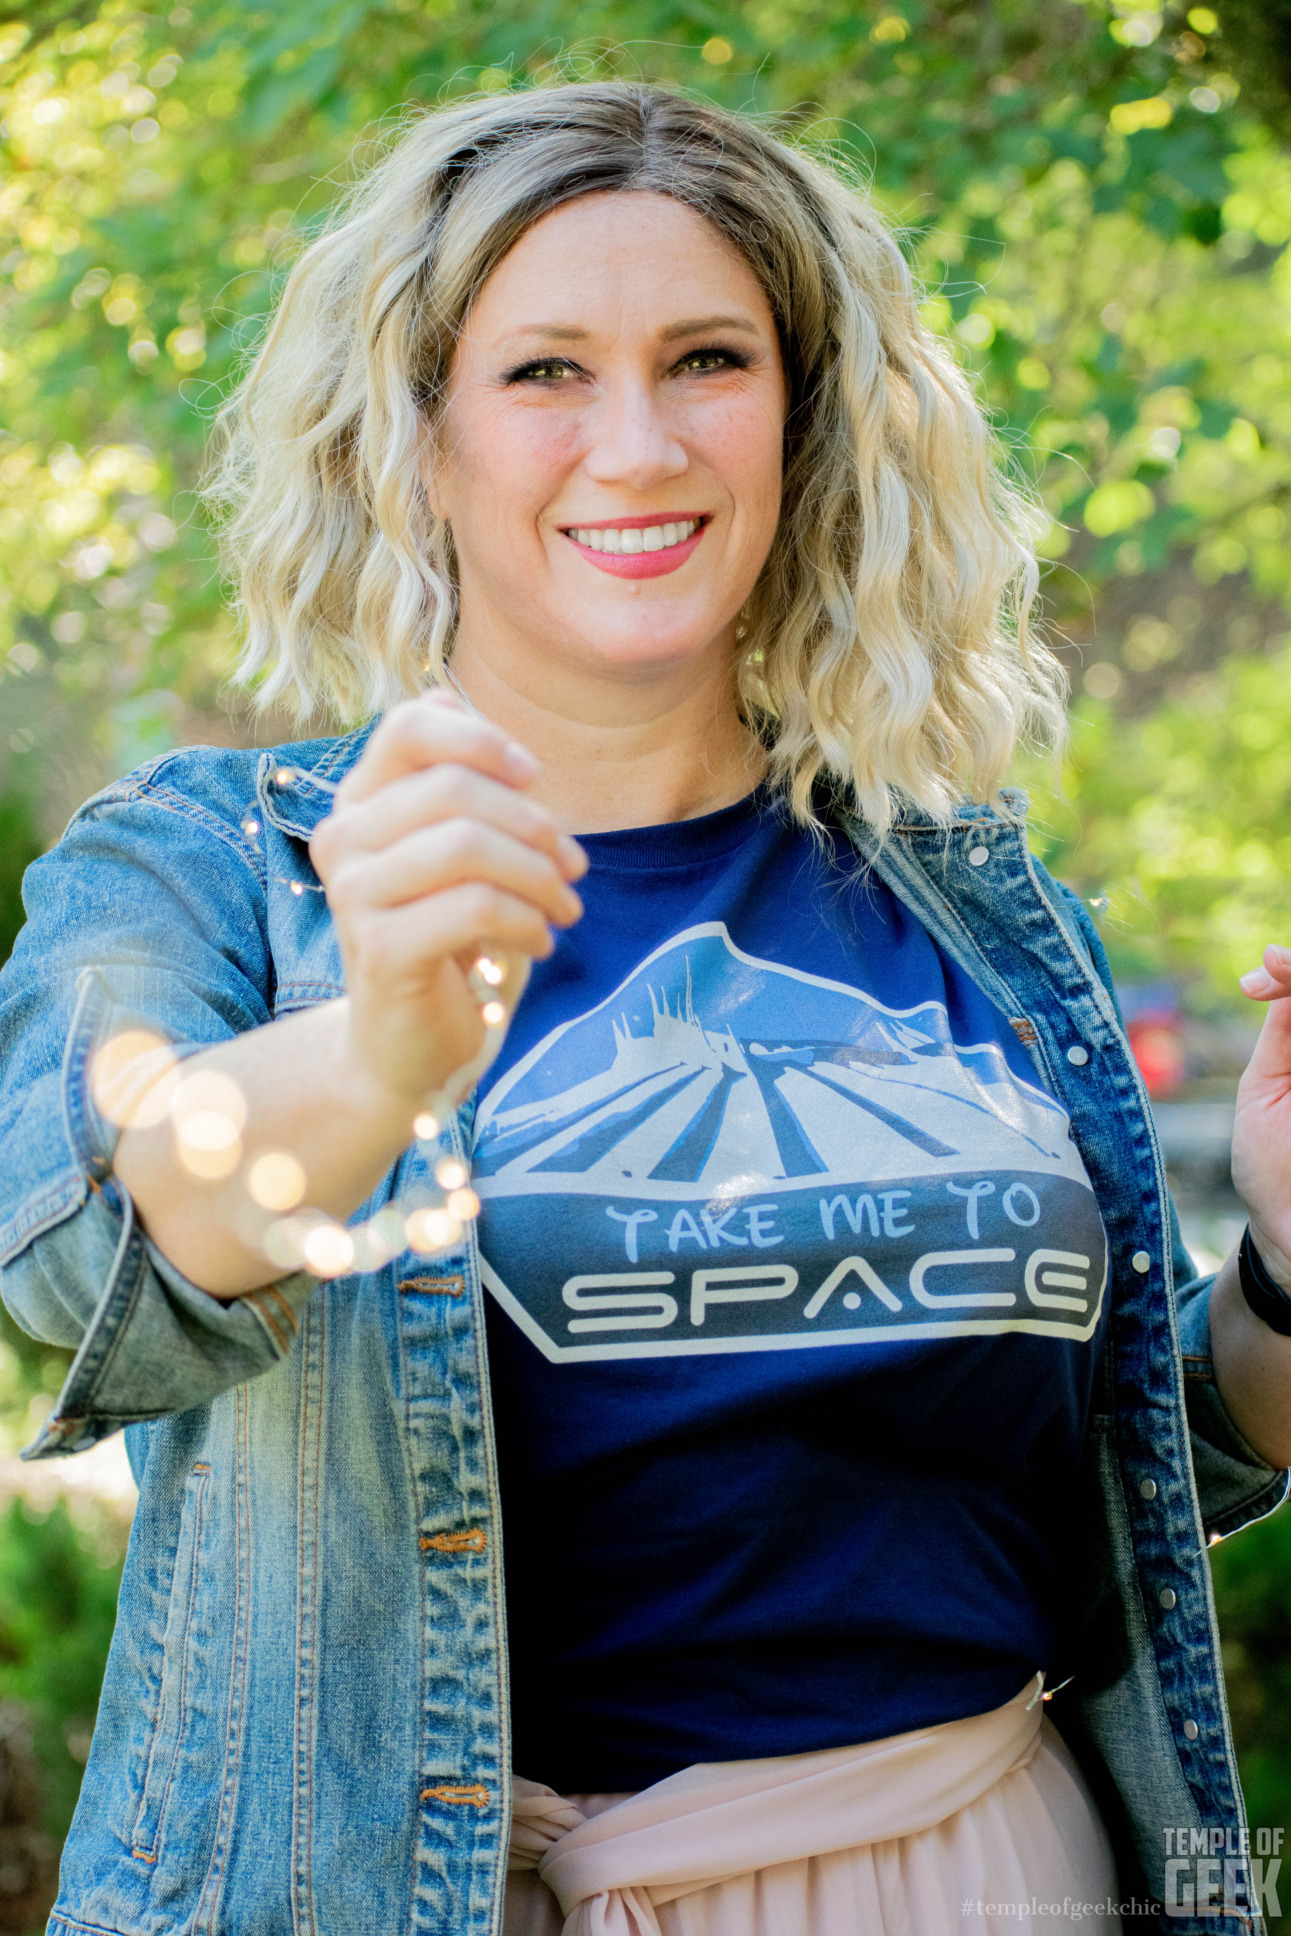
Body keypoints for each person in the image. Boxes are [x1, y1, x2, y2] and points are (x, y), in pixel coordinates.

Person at [0, 80, 1288, 1936]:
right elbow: (85, 1252)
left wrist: (1288, 1264)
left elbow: (1134, 1467)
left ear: (802, 420)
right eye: (542, 373)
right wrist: (377, 1054)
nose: (640, 443)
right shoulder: (220, 867)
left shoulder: (965, 897)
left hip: (986, 1878)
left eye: (708, 360)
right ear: (418, 436)